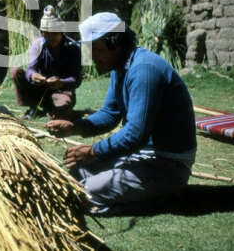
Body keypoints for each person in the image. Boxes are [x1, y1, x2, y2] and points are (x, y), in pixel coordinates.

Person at [45, 12, 197, 216]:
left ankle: (164, 196)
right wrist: (76, 126)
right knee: (75, 176)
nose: (92, 57)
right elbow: (109, 113)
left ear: (115, 44)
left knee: (83, 194)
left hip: (167, 163)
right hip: (140, 156)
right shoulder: (120, 69)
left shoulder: (144, 69)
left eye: (96, 49)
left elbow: (135, 134)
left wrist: (93, 151)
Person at [9, 5, 81, 120]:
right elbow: (30, 68)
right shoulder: (38, 45)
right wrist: (33, 76)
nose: (51, 37)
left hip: (61, 92)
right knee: (15, 71)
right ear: (42, 33)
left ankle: (51, 110)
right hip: (40, 90)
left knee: (62, 112)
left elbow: (76, 79)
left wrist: (60, 83)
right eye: (46, 33)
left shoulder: (73, 47)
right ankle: (33, 106)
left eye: (54, 32)